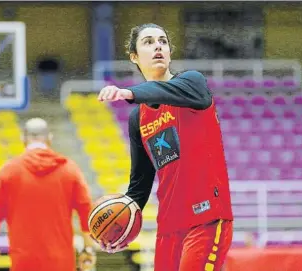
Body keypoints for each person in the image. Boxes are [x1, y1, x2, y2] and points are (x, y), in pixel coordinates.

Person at [97, 23, 234, 271]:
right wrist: (117, 230)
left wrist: (128, 92)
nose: (158, 45)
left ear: (170, 52)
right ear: (134, 57)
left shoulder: (192, 84)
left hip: (206, 219)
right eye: (148, 42)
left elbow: (176, 93)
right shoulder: (138, 118)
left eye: (162, 41)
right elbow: (139, 186)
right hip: (169, 228)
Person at [0, 118, 96, 271]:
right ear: (50, 138)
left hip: (23, 261)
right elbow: (86, 209)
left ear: (23, 139)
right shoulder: (70, 169)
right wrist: (88, 248)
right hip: (61, 262)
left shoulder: (9, 170)